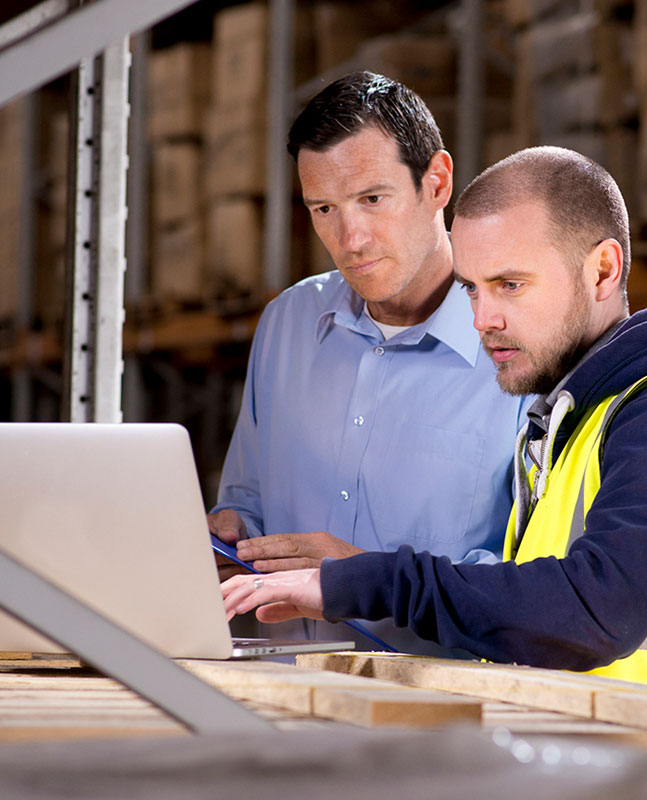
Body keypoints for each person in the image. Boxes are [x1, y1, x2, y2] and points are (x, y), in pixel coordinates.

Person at [221, 146, 647, 748]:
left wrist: (364, 581)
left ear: (602, 270)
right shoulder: (574, 418)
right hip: (615, 775)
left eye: (509, 285)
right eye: (471, 289)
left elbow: (595, 611)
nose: (482, 318)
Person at [207, 71, 530, 655]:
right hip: (290, 696)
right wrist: (231, 538)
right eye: (323, 208)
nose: (349, 237)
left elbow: (536, 584)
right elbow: (246, 502)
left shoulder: (519, 349)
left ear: (436, 182)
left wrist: (364, 575)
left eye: (372, 200)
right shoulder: (286, 326)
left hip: (451, 715)